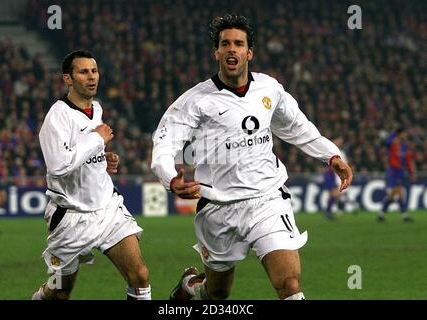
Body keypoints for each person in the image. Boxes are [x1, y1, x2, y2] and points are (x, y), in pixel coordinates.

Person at [151, 14, 353, 300]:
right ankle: (192, 287)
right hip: (218, 206)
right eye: (225, 44)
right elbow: (163, 143)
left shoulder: (268, 89)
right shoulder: (196, 100)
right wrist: (170, 178)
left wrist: (331, 155)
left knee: (290, 286)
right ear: (217, 53)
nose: (231, 49)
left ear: (249, 52)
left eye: (238, 43)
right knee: (217, 294)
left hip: (267, 200)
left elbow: (295, 126)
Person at [32, 50, 150, 300]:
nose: (91, 76)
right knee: (60, 292)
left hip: (107, 209)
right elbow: (58, 165)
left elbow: (85, 151)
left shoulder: (96, 108)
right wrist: (97, 139)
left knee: (139, 275)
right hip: (71, 216)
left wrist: (103, 158)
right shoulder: (57, 117)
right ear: (68, 78)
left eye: (94, 71)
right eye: (83, 72)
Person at [377, 128, 416, 223]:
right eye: (404, 133)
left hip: (400, 172)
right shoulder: (393, 143)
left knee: (393, 195)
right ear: (400, 134)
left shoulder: (404, 146)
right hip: (393, 171)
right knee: (399, 193)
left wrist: (411, 172)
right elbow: (386, 142)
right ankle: (404, 216)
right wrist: (395, 133)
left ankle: (381, 214)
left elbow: (407, 160)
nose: (405, 135)